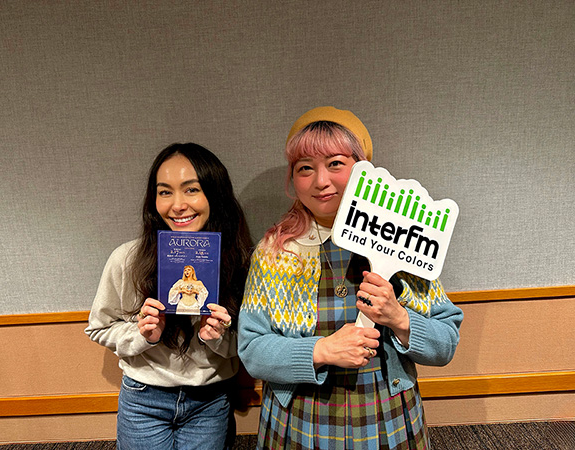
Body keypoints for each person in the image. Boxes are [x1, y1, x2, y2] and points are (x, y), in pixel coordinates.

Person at [238, 107, 463, 449]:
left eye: (336, 164)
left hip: (387, 416)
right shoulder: (276, 252)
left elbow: (445, 343)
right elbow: (252, 350)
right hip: (299, 420)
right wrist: (322, 349)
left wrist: (400, 318)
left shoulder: (403, 238)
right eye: (305, 168)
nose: (321, 181)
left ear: (363, 168)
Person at [85, 143, 253, 450]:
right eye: (165, 192)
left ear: (215, 194)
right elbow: (98, 327)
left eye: (191, 190)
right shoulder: (128, 259)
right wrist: (142, 334)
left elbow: (250, 342)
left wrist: (218, 337)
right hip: (144, 397)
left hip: (210, 398)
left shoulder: (240, 261)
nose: (177, 205)